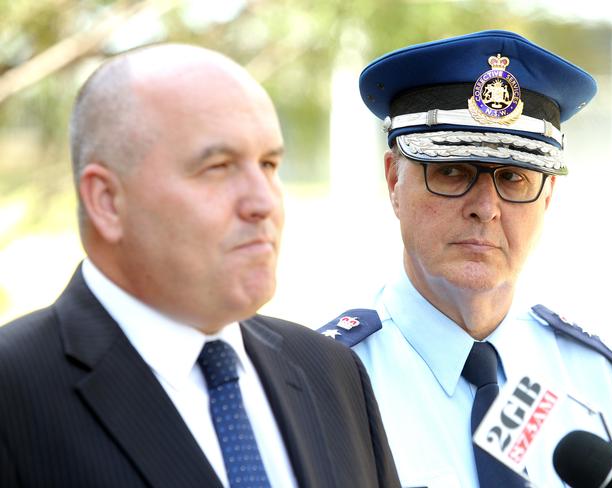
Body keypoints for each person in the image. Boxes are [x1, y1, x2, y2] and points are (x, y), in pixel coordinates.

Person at [0, 43, 400, 488]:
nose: (264, 201)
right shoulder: (14, 394)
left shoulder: (331, 372)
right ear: (107, 201)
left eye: (268, 164)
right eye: (218, 167)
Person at [319, 30, 612, 487]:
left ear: (547, 197)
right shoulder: (326, 385)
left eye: (513, 178)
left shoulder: (596, 382)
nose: (486, 207)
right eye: (452, 171)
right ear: (394, 180)